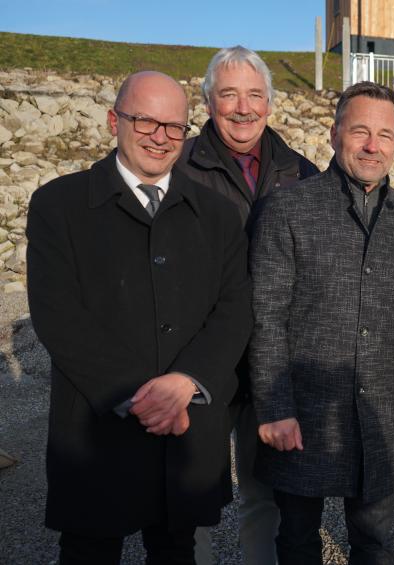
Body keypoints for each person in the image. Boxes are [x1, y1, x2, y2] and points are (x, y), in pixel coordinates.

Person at [26, 71, 253, 565]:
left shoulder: (216, 215)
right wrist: (141, 395)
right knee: (89, 550)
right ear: (114, 121)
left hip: (187, 427)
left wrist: (186, 382)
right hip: (97, 424)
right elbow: (57, 315)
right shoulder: (59, 205)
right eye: (144, 120)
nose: (160, 136)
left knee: (176, 550)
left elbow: (234, 309)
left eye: (174, 126)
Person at [249, 81, 394, 565]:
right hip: (304, 409)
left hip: (377, 410)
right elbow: (266, 316)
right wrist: (274, 408)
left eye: (386, 134)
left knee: (375, 542)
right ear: (336, 133)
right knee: (297, 541)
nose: (373, 146)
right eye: (360, 131)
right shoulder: (287, 209)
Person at [177, 45, 319, 565]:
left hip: (271, 364)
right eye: (230, 95)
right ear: (208, 101)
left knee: (267, 493)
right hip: (199, 361)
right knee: (192, 493)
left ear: (271, 103)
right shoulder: (179, 169)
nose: (243, 108)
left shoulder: (303, 174)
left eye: (255, 95)